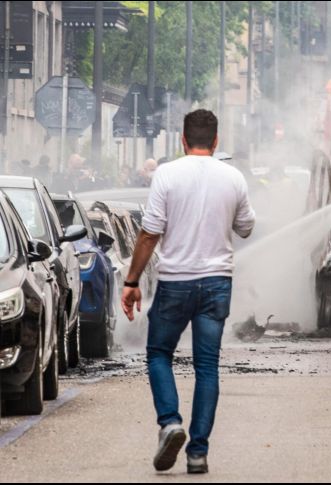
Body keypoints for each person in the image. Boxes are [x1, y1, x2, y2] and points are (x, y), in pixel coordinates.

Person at [121, 109, 256, 475]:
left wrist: (132, 281)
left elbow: (149, 233)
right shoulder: (233, 178)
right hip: (217, 284)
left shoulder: (167, 174)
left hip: (176, 282)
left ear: (182, 140)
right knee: (207, 366)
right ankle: (198, 452)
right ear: (215, 141)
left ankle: (170, 423)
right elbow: (246, 227)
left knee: (159, 353)